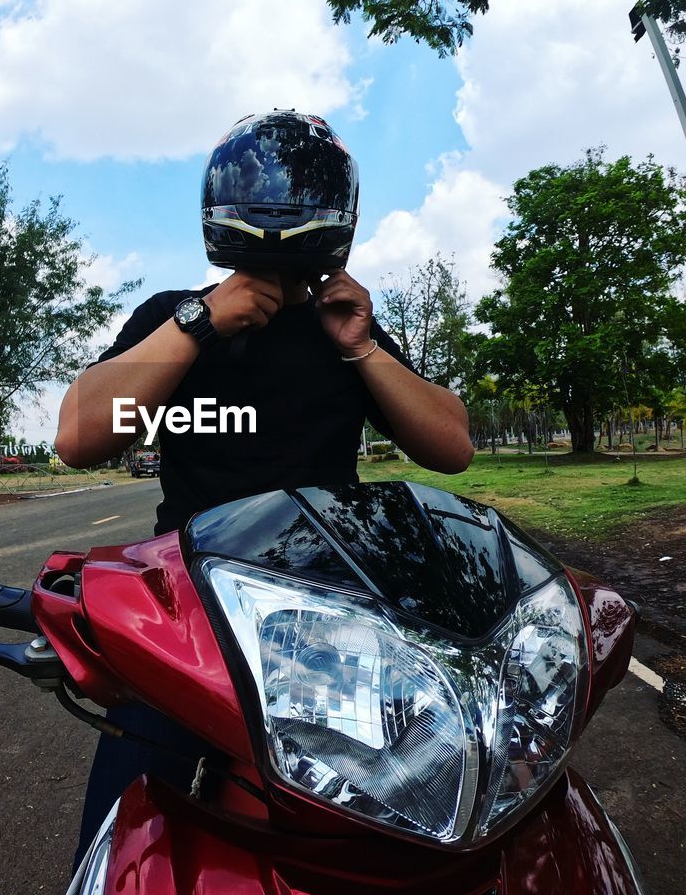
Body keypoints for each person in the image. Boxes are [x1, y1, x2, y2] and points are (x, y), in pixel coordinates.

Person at [54, 110, 474, 869]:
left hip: (333, 616)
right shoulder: (171, 320)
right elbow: (78, 439)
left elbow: (454, 448)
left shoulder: (344, 327)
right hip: (188, 612)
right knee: (119, 839)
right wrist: (201, 321)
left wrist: (361, 346)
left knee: (386, 830)